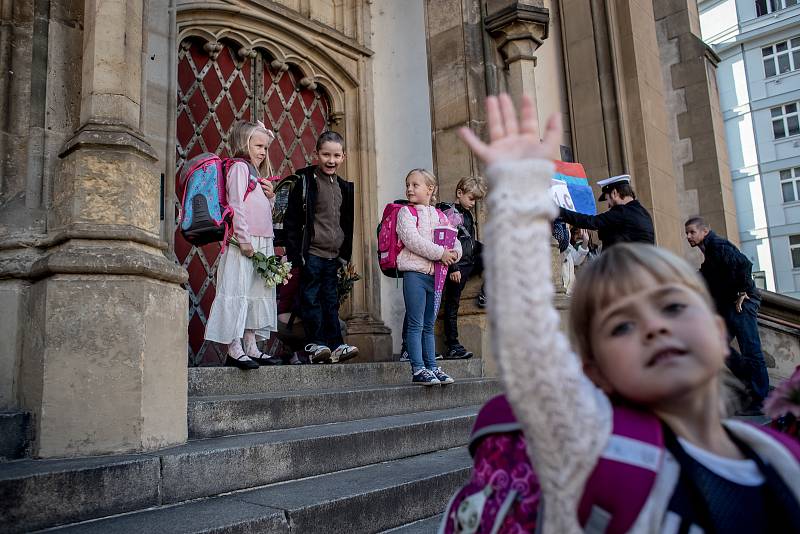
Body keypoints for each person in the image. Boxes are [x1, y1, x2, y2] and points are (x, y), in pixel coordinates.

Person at [458, 94, 800, 532]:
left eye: (673, 306)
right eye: (622, 325)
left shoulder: (780, 460)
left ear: (718, 332)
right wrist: (520, 202)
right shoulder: (597, 449)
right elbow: (530, 341)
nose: (655, 327)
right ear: (593, 371)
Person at [205, 121, 279, 370]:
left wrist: (270, 197)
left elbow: (263, 211)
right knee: (238, 290)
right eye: (258, 146)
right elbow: (236, 205)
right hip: (243, 243)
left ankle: (251, 345)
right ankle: (233, 347)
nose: (263, 152)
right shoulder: (238, 168)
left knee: (256, 292)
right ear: (243, 144)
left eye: (266, 148)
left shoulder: (257, 176)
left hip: (262, 241)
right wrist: (245, 240)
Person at [284, 131, 359, 364]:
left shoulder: (344, 187)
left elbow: (345, 223)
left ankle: (336, 345)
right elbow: (293, 221)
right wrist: (297, 256)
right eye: (326, 154)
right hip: (312, 255)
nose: (331, 160)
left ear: (343, 157)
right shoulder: (305, 180)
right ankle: (315, 344)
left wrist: (344, 256)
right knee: (311, 300)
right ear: (316, 154)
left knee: (331, 301)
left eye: (336, 155)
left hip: (333, 256)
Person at [686, 217, 769, 415]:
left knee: (752, 351)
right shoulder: (709, 250)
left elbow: (744, 265)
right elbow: (707, 275)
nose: (688, 236)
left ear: (704, 231)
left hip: (742, 304)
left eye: (691, 232)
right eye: (687, 232)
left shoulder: (717, 244)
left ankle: (761, 400)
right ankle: (751, 384)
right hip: (729, 305)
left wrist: (742, 293)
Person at [397, 168, 462, 385]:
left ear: (430, 189)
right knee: (415, 323)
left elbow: (455, 241)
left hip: (435, 278)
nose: (409, 189)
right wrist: (440, 253)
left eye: (415, 185)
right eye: (408, 184)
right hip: (414, 274)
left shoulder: (440, 215)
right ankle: (418, 368)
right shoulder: (406, 213)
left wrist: (454, 253)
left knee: (428, 324)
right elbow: (412, 240)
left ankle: (432, 367)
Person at [437, 176, 487, 359]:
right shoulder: (450, 212)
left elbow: (469, 241)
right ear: (459, 193)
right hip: (457, 267)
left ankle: (485, 293)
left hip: (469, 262)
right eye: (471, 198)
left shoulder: (466, 213)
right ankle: (453, 345)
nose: (473, 203)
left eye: (476, 200)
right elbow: (447, 241)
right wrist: (454, 268)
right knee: (452, 304)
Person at [558, 174, 655, 249]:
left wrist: (558, 210)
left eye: (607, 199)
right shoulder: (644, 214)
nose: (608, 205)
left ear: (614, 193)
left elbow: (590, 222)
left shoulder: (622, 212)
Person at [562, 227, 590, 295]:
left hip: (572, 290)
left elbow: (576, 260)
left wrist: (585, 242)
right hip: (560, 290)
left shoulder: (569, 246)